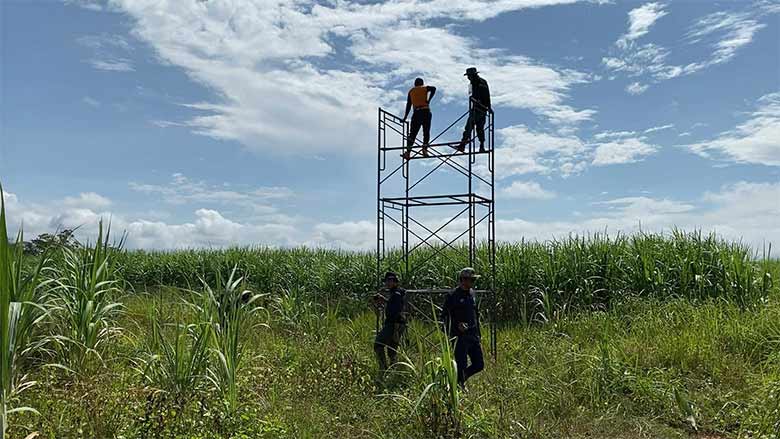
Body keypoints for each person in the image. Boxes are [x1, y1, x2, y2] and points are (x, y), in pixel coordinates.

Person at [440, 267, 484, 386]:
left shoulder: (472, 293)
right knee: (461, 364)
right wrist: (456, 326)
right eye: (471, 280)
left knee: (479, 364)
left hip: (473, 335)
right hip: (459, 337)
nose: (473, 282)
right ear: (463, 280)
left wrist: (478, 334)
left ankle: (459, 379)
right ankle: (459, 385)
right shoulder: (452, 296)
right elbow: (444, 318)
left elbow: (475, 314)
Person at [373, 271, 408, 372]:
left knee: (378, 344)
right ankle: (394, 370)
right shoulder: (397, 292)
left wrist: (395, 329)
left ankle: (383, 368)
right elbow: (395, 306)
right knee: (392, 349)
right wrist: (385, 301)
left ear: (395, 281)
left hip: (393, 324)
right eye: (387, 281)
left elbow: (396, 310)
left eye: (390, 280)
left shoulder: (396, 294)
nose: (387, 283)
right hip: (396, 324)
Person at [457, 67, 491, 153]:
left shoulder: (481, 82)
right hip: (478, 108)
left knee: (470, 126)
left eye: (469, 76)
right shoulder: (472, 84)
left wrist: (488, 106)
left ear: (473, 75)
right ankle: (480, 146)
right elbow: (471, 95)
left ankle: (463, 145)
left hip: (480, 108)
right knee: (479, 128)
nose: (468, 78)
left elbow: (487, 95)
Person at [402, 78, 437, 159]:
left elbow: (408, 105)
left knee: (412, 134)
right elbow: (434, 88)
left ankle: (408, 152)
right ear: (422, 83)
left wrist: (405, 117)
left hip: (417, 112)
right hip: (426, 111)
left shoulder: (411, 91)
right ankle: (424, 149)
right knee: (426, 132)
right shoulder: (424, 88)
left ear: (415, 84)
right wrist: (429, 100)